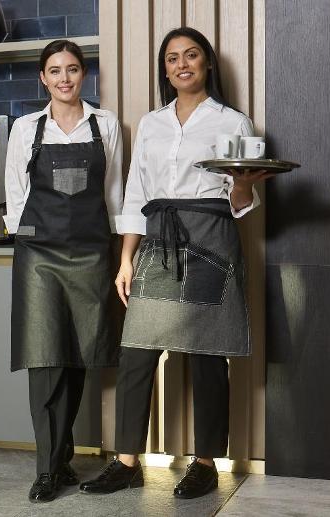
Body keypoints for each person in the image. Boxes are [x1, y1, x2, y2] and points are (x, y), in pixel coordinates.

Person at [79, 27, 272, 499]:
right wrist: (125, 260)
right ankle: (127, 461)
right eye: (171, 59)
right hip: (158, 239)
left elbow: (241, 202)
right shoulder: (151, 123)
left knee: (207, 355)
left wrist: (245, 187)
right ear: (165, 69)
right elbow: (136, 196)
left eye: (190, 56)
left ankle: (206, 462)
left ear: (206, 63)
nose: (181, 64)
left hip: (211, 237)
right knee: (138, 349)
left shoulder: (233, 121)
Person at [4, 39, 125, 503]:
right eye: (54, 71)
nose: (64, 78)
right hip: (40, 255)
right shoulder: (26, 128)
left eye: (72, 69)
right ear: (43, 78)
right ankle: (47, 469)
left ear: (83, 75)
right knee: (44, 356)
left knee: (76, 355)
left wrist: (117, 253)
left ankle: (61, 456)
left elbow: (113, 192)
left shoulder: (106, 125)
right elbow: (16, 195)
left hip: (93, 251)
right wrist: (32, 236)